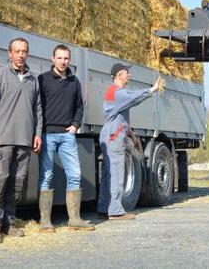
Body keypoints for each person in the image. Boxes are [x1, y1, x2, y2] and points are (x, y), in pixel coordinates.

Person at [0, 38, 42, 244]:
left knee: (17, 185)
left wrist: (37, 133)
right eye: (17, 51)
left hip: (25, 140)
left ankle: (10, 223)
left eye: (24, 51)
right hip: (3, 141)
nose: (20, 55)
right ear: (9, 53)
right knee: (0, 183)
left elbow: (38, 110)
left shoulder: (34, 79)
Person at [37, 44, 94, 232]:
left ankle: (74, 219)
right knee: (46, 176)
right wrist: (38, 132)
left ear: (69, 60)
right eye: (59, 58)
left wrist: (75, 126)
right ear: (52, 59)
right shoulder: (43, 80)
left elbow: (80, 106)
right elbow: (36, 107)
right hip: (47, 135)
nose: (63, 61)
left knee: (75, 174)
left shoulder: (74, 81)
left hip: (67, 136)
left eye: (66, 58)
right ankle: (45, 222)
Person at [97, 63, 161, 220]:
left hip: (112, 133)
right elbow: (133, 98)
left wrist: (131, 135)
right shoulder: (116, 92)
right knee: (117, 173)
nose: (129, 76)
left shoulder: (114, 92)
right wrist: (152, 90)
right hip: (113, 136)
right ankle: (116, 211)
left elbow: (119, 117)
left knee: (109, 174)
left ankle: (105, 207)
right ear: (119, 75)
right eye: (127, 73)